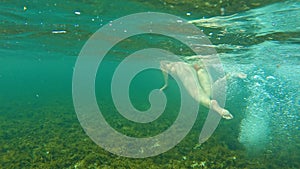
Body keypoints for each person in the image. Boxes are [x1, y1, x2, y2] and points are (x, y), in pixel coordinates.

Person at [159, 60, 233, 119]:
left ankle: (216, 108)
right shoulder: (172, 61)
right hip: (197, 67)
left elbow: (164, 73)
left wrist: (166, 85)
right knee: (209, 94)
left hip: (182, 68)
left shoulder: (164, 64)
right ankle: (222, 81)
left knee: (197, 94)